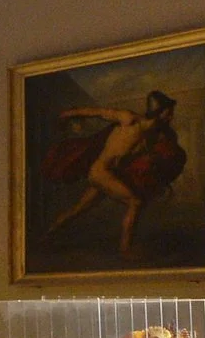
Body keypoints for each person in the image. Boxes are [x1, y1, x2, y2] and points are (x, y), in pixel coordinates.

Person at [42, 89, 187, 258]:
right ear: (159, 112)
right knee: (135, 202)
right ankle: (125, 250)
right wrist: (69, 113)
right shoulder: (129, 119)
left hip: (111, 176)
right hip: (100, 172)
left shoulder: (153, 136)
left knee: (78, 209)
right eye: (169, 113)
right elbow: (98, 112)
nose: (171, 117)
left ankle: (47, 235)